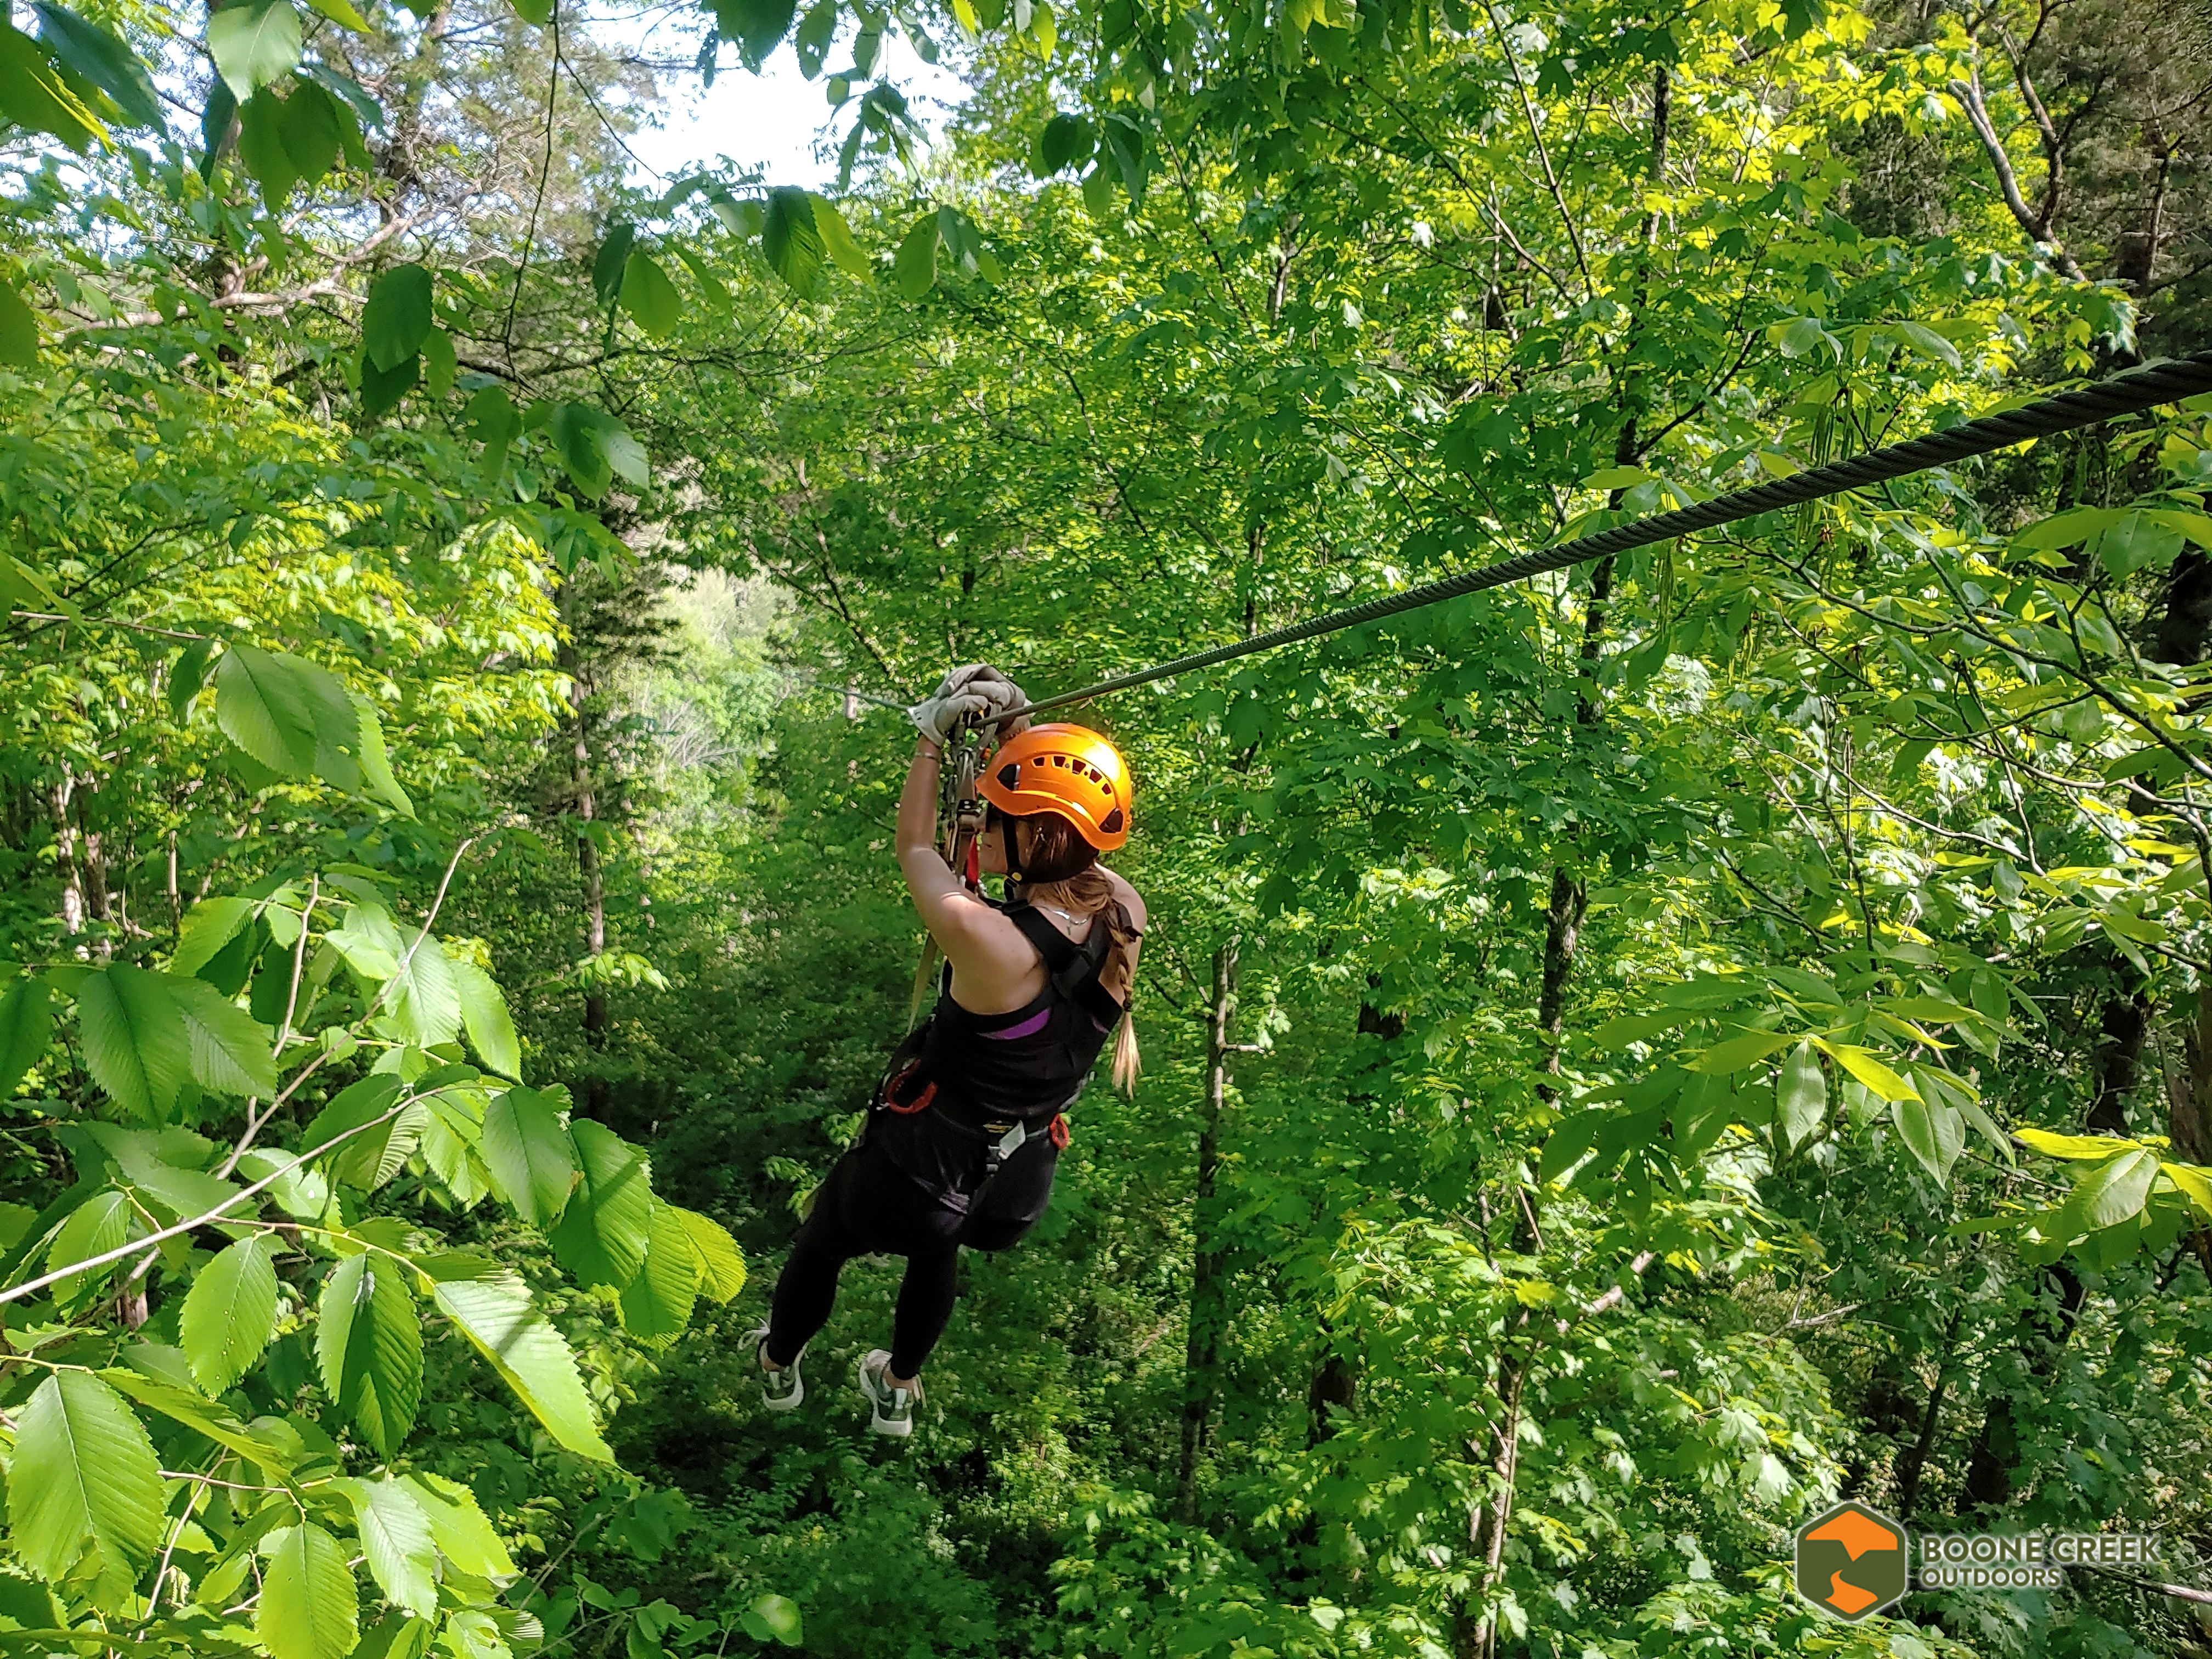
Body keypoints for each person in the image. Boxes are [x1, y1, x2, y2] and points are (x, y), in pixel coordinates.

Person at [745, 664, 1146, 1436]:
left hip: (918, 1170)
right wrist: (1019, 730)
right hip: (1021, 1181)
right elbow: (1056, 844)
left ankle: (777, 1367)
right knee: (941, 1247)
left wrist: (931, 739)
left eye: (1003, 817)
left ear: (1030, 832)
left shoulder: (983, 937)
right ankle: (898, 1386)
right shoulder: (1124, 907)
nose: (987, 831)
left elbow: (916, 845)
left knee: (826, 1237)